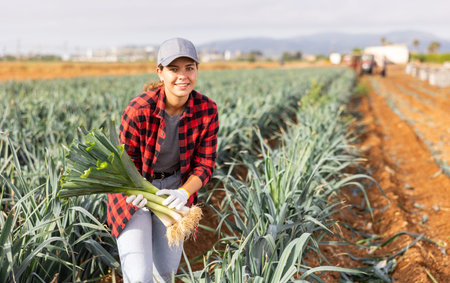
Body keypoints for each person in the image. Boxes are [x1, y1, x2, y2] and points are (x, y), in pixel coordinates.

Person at [106, 37, 219, 282]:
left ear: (197, 70)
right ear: (160, 72)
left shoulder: (207, 110)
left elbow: (205, 163)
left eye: (189, 68)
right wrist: (131, 190)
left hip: (174, 190)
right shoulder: (139, 110)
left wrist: (183, 193)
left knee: (165, 273)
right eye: (173, 69)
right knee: (138, 276)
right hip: (133, 192)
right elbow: (125, 163)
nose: (183, 76)